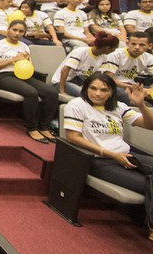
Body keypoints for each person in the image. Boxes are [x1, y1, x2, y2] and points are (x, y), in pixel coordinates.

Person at [63, 72, 153, 241]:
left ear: (111, 91)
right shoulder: (77, 105)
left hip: (126, 155)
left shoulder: (119, 107)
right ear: (85, 88)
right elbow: (72, 137)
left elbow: (150, 125)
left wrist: (141, 105)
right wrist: (111, 154)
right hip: (99, 160)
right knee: (145, 184)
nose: (98, 93)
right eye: (93, 88)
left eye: (104, 90)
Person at [0, 20, 59, 142]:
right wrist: (13, 60)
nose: (17, 33)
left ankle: (44, 127)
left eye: (21, 31)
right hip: (4, 76)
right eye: (14, 30)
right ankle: (31, 128)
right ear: (8, 29)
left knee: (51, 92)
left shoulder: (24, 46)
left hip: (23, 75)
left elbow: (28, 66)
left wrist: (26, 60)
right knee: (31, 92)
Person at [51, 32, 119, 97]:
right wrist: (62, 90)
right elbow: (65, 70)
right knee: (89, 95)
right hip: (63, 82)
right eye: (115, 49)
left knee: (103, 94)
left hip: (81, 84)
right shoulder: (81, 51)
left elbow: (97, 76)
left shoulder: (104, 57)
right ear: (107, 49)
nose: (115, 51)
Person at [101, 32, 153, 104]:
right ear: (128, 43)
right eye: (133, 44)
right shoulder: (115, 55)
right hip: (113, 85)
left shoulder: (149, 58)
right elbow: (109, 78)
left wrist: (150, 90)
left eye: (142, 45)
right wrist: (133, 88)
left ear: (149, 46)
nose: (137, 47)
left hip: (132, 84)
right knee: (124, 94)